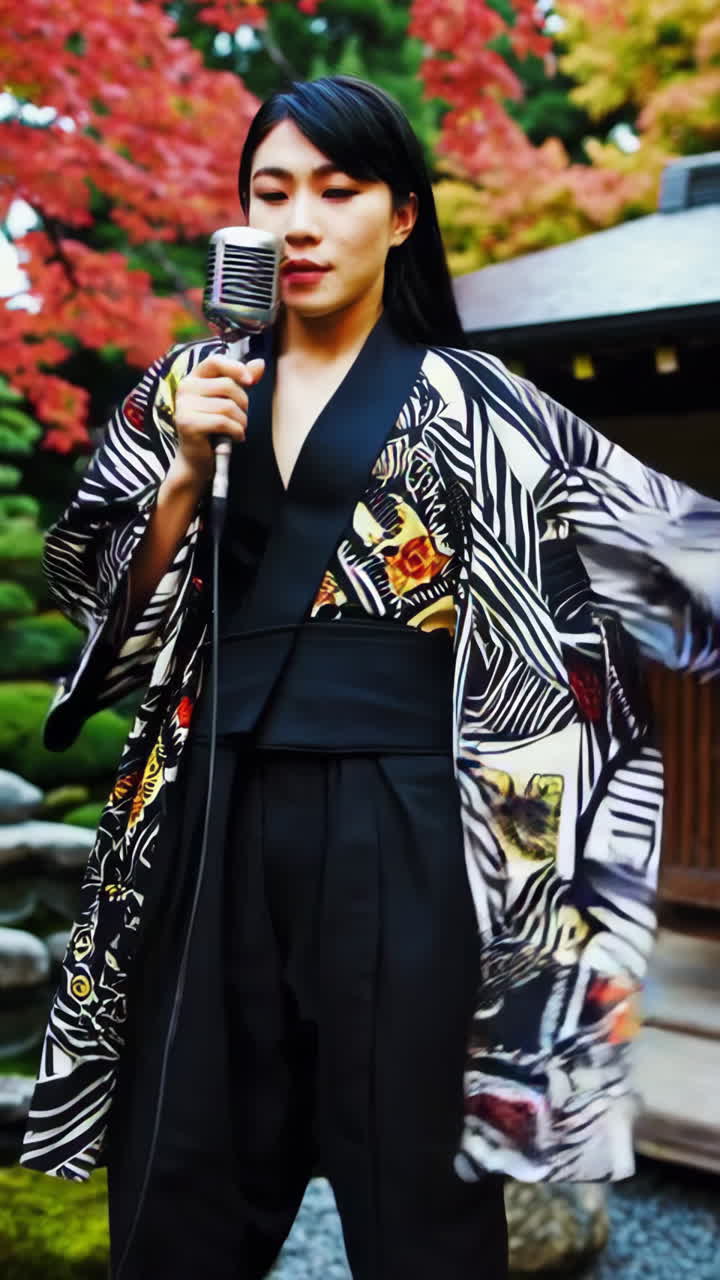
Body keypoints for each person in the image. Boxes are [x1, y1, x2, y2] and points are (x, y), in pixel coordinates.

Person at [18, 74, 720, 1280]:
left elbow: (689, 559)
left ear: (401, 215)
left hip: (409, 826)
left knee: (420, 1203)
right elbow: (101, 612)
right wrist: (185, 468)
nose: (299, 222)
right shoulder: (182, 395)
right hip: (204, 813)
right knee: (177, 1175)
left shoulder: (483, 407)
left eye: (336, 192)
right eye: (271, 191)